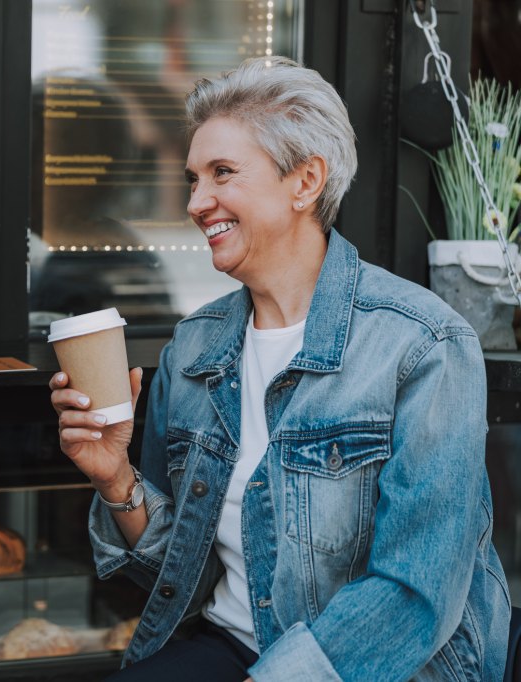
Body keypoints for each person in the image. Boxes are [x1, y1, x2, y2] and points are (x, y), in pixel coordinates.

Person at [49, 56, 510, 681]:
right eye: (193, 179)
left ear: (306, 182)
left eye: (222, 173)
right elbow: (174, 577)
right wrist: (116, 481)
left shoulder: (423, 344)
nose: (196, 201)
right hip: (230, 645)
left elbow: (414, 595)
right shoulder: (195, 346)